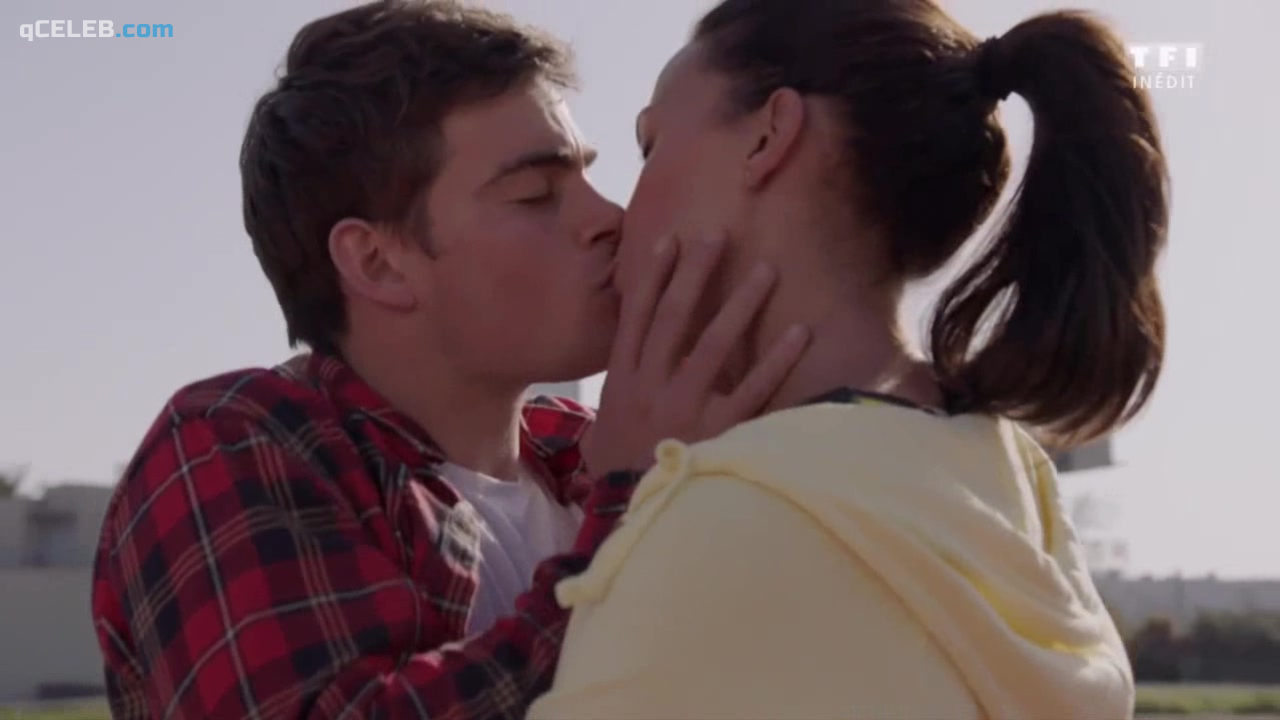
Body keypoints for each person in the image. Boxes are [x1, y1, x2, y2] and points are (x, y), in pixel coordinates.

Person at [90, 2, 808, 718]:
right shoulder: (234, 442)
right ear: (378, 263)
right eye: (535, 195)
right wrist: (634, 509)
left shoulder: (594, 453)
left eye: (588, 178)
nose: (608, 218)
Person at [528, 1, 1168, 718]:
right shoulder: (1011, 476)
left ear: (769, 136)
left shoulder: (724, 523)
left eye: (650, 147)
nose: (619, 214)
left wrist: (625, 500)